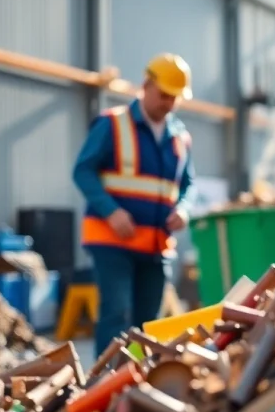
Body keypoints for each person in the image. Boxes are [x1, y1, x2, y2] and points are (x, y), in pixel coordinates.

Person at [73, 53, 196, 355]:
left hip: (156, 246)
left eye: (175, 97)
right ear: (146, 85)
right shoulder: (112, 124)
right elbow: (83, 171)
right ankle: (105, 379)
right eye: (164, 95)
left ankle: (138, 379)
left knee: (148, 324)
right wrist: (111, 211)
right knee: (116, 314)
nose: (169, 103)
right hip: (112, 241)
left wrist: (183, 209)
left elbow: (188, 184)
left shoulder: (180, 137)